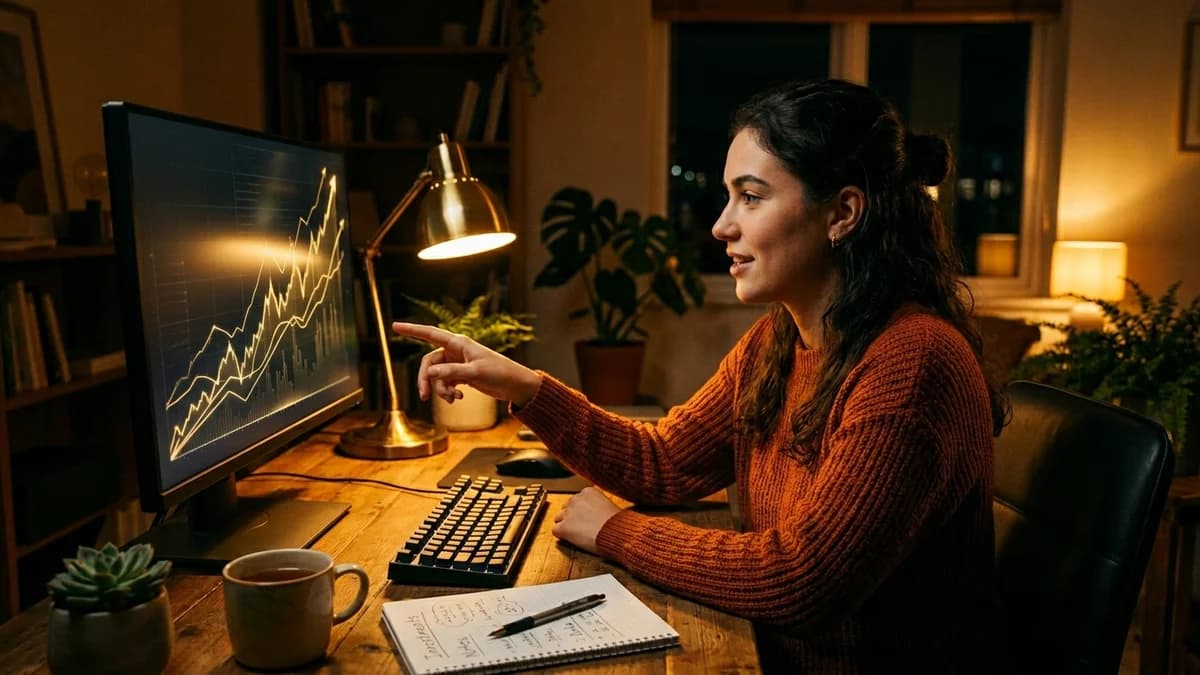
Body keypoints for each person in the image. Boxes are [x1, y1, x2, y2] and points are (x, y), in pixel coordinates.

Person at [394, 78, 1004, 674]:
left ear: (842, 212)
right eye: (728, 195)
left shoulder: (912, 364)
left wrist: (616, 532)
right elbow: (664, 463)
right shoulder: (780, 339)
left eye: (752, 196)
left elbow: (802, 581)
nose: (721, 225)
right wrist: (526, 387)